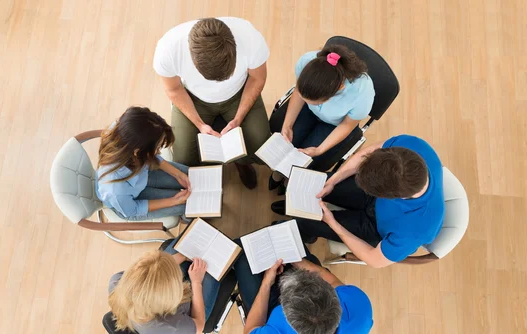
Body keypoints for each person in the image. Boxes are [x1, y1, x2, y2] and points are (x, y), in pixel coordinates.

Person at [285, 134, 445, 268]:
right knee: (317, 184)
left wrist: (332, 223)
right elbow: (367, 153)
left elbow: (374, 259)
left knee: (308, 222)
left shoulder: (416, 230)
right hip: (378, 198)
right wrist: (334, 180)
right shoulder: (412, 146)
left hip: (376, 228)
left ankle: (307, 232)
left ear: (394, 197)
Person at [153, 17, 271, 189]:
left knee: (260, 145)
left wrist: (238, 118)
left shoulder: (250, 37)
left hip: (238, 94)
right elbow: (174, 90)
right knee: (183, 158)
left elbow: (257, 78)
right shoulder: (168, 49)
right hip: (194, 98)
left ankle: (242, 162)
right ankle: (208, 177)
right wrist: (199, 124)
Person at [233, 237, 373, 334]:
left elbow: (251, 329)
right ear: (334, 297)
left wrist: (267, 282)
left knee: (240, 254)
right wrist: (295, 259)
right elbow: (332, 280)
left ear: (285, 314)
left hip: (273, 319)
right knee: (284, 235)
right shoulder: (360, 308)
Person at [268, 44, 375, 190]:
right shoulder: (308, 62)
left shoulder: (362, 93)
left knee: (308, 160)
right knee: (286, 144)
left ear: (338, 90)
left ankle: (289, 181)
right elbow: (299, 93)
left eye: (315, 101)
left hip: (335, 124)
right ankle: (279, 173)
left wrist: (320, 149)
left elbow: (348, 125)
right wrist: (287, 124)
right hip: (307, 111)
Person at [108, 239, 219, 334]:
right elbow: (199, 325)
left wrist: (183, 256)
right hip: (192, 312)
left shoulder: (117, 282)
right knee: (215, 257)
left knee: (187, 242)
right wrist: (196, 282)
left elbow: (151, 273)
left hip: (162, 296)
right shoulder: (173, 329)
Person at [96, 106, 191, 221]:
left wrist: (178, 174)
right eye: (157, 147)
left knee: (190, 175)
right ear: (138, 152)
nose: (159, 151)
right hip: (132, 202)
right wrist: (173, 201)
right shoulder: (115, 191)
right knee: (187, 205)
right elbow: (133, 210)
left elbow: (151, 155)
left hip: (140, 172)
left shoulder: (126, 130)